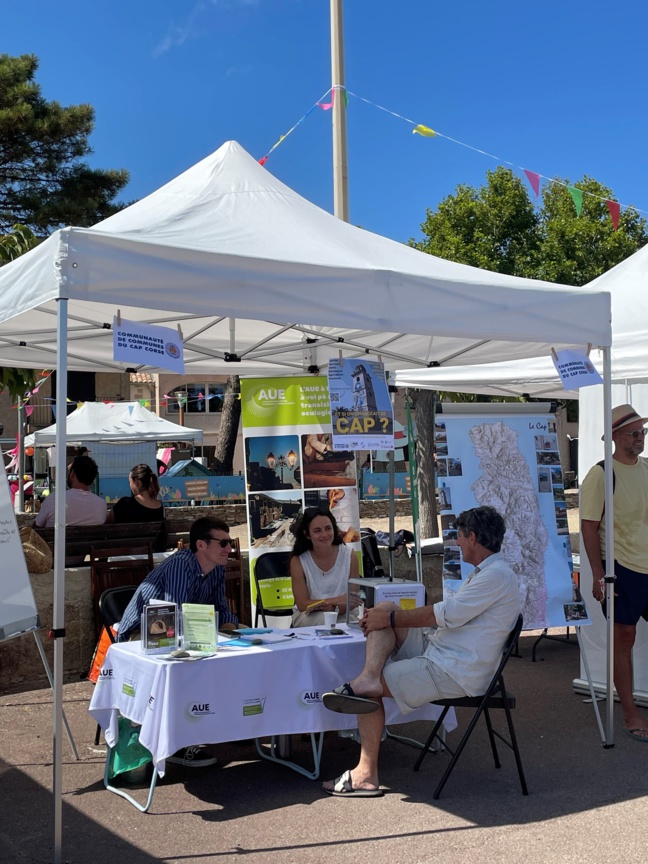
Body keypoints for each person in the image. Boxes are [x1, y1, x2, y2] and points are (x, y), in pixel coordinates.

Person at [321, 506, 520, 797]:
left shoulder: (497, 575)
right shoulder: (488, 572)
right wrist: (386, 616)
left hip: (454, 670)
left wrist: (388, 621)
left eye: (459, 537)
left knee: (370, 679)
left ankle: (365, 774)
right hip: (442, 652)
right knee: (386, 606)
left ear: (473, 537)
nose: (458, 543)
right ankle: (369, 675)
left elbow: (448, 614)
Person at [580, 403, 648, 742]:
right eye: (635, 433)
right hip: (621, 568)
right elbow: (589, 527)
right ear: (617, 437)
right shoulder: (601, 474)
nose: (640, 438)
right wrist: (597, 575)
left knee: (628, 639)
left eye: (643, 432)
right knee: (624, 639)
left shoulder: (647, 467)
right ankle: (630, 714)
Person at [117, 516, 238, 642]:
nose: (229, 548)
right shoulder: (181, 564)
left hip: (181, 631)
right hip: (143, 634)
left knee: (246, 639)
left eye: (231, 542)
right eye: (223, 543)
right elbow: (176, 618)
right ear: (201, 545)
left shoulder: (217, 568)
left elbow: (222, 609)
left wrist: (227, 631)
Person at [289, 506, 359, 627]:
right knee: (323, 621)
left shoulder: (350, 555)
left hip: (344, 614)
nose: (324, 534)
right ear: (307, 534)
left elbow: (353, 599)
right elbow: (302, 605)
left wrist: (333, 608)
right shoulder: (298, 560)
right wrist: (335, 601)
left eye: (328, 528)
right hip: (309, 616)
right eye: (317, 531)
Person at [35, 454, 107, 530]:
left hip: (55, 542)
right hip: (91, 541)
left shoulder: (54, 500)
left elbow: (36, 529)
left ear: (72, 474)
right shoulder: (101, 504)